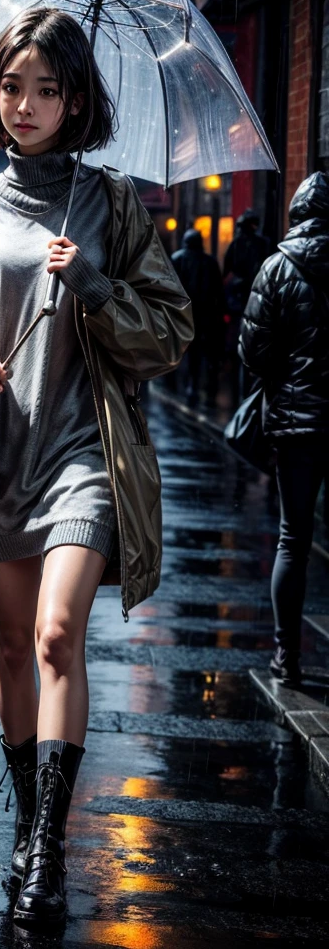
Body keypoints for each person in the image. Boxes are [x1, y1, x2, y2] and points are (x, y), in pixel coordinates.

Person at [0, 8, 193, 927]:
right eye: (13, 87)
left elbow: (170, 330)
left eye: (48, 89)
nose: (26, 104)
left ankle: (48, 855)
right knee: (14, 646)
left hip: (82, 457)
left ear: (76, 102)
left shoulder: (109, 206)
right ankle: (25, 823)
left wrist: (96, 288)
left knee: (62, 635)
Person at [239, 172, 329, 688]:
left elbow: (253, 352)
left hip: (297, 426)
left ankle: (286, 658)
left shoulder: (277, 268)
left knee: (294, 539)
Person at [171, 228, 226, 406]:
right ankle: (209, 390)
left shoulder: (177, 259)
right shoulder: (210, 261)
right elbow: (219, 290)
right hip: (208, 314)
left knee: (190, 353)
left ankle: (191, 386)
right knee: (209, 354)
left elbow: (170, 288)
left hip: (186, 314)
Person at [224, 209, 270, 403]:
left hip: (240, 300)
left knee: (240, 345)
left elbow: (227, 268)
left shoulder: (237, 244)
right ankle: (247, 390)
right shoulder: (262, 244)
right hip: (254, 299)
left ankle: (240, 390)